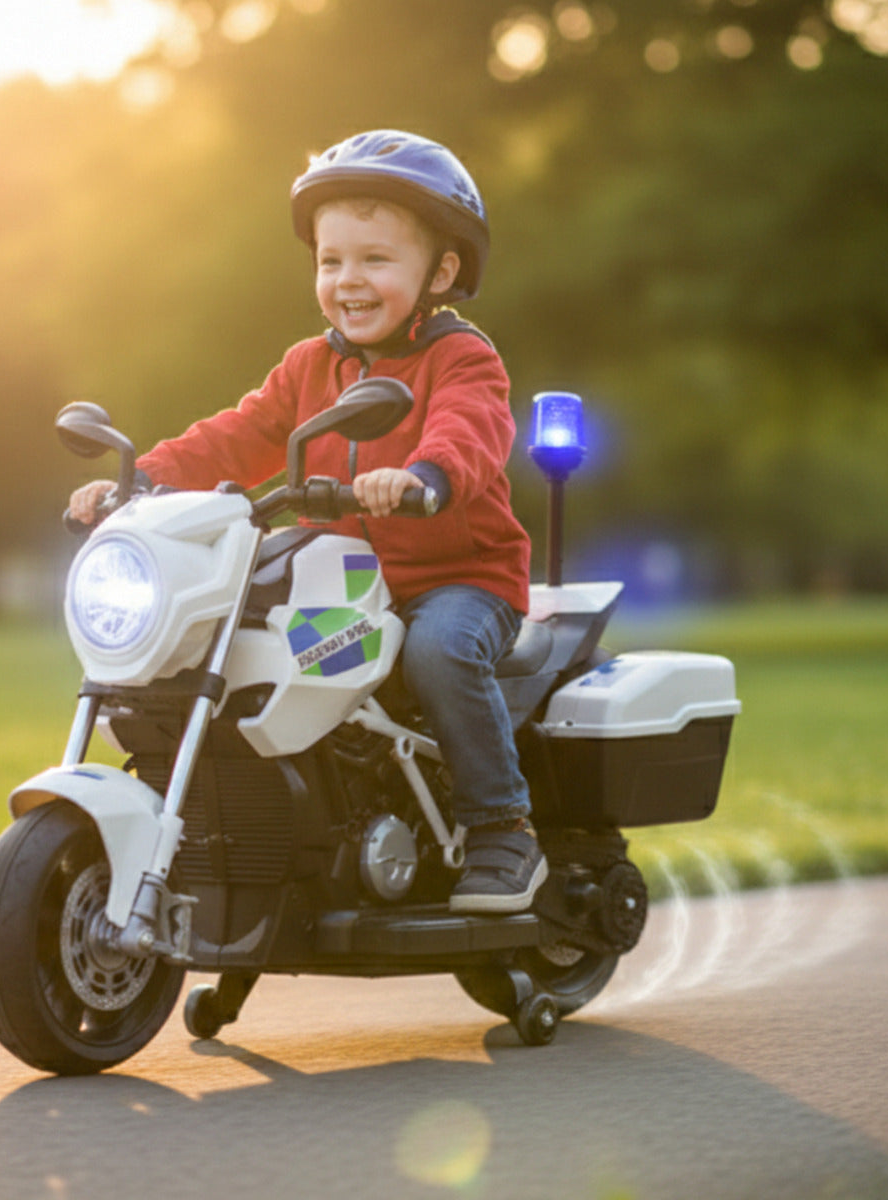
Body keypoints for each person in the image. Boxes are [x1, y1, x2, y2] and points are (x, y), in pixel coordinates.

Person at [69, 130, 546, 914]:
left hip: (458, 581)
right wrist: (141, 479)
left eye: (375, 260)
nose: (348, 280)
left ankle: (503, 829)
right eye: (331, 262)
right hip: (350, 582)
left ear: (443, 271)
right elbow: (238, 431)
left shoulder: (462, 360)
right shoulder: (308, 368)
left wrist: (425, 477)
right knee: (254, 662)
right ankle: (276, 843)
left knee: (438, 653)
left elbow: (470, 432)